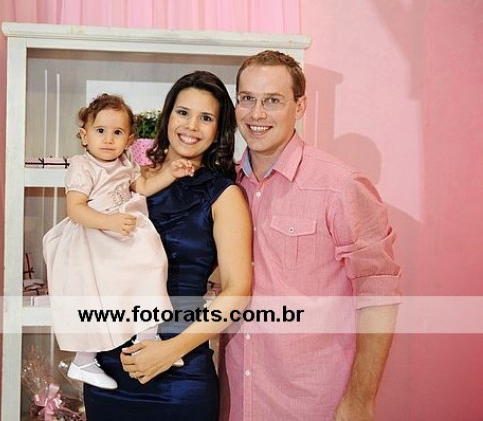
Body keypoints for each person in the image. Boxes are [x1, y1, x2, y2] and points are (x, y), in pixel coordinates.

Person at [219, 50, 402, 421]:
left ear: (300, 106)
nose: (256, 114)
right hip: (236, 400)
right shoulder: (226, 186)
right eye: (247, 98)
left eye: (273, 100)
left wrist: (360, 400)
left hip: (312, 403)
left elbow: (378, 296)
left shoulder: (340, 185)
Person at [82, 71, 253, 420]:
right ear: (168, 115)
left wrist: (170, 350)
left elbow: (238, 291)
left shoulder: (224, 195)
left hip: (180, 373)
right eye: (183, 112)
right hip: (109, 368)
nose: (191, 126)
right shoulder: (129, 177)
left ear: (219, 130)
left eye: (206, 118)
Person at [43, 93, 193, 390]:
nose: (108, 139)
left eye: (117, 132)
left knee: (151, 265)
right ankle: (84, 360)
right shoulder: (82, 166)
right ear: (84, 136)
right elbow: (75, 209)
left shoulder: (125, 164)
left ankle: (147, 337)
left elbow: (145, 186)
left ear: (129, 140)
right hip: (92, 235)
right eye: (100, 131)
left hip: (121, 234)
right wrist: (107, 221)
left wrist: (171, 173)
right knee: (95, 295)